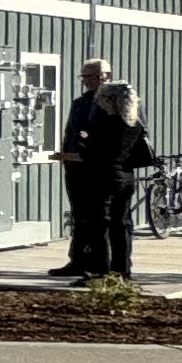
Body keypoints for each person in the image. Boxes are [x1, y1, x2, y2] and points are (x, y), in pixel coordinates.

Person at [70, 78, 152, 281]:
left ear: (111, 100)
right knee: (121, 224)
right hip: (125, 178)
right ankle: (122, 270)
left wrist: (83, 138)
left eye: (101, 99)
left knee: (99, 226)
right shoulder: (134, 125)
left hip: (102, 178)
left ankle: (101, 270)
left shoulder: (105, 124)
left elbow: (93, 152)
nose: (99, 103)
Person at [51, 55, 113, 274]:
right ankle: (77, 261)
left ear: (105, 76)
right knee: (79, 215)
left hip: (98, 169)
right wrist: (66, 153)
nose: (86, 81)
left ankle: (100, 266)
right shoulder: (81, 103)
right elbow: (73, 131)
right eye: (84, 77)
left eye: (91, 76)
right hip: (75, 168)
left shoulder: (113, 103)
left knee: (98, 218)